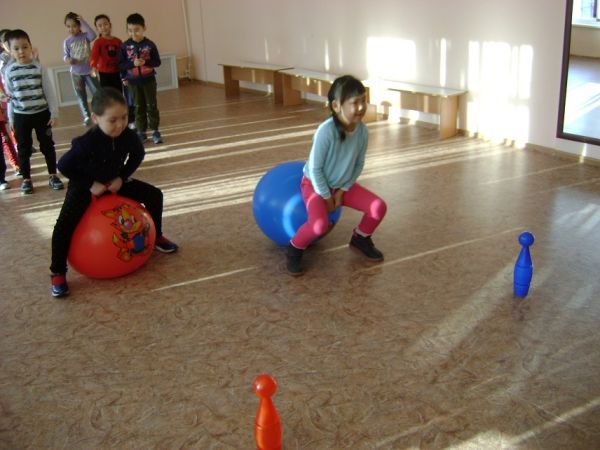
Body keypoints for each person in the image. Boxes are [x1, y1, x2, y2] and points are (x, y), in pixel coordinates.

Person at [49, 87, 178, 297]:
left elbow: (138, 154)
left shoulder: (128, 136)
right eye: (112, 120)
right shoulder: (86, 143)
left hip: (114, 181)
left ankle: (157, 238)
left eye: (124, 117)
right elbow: (63, 165)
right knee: (64, 225)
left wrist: (121, 177)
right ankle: (57, 272)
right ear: (95, 118)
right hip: (85, 185)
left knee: (155, 195)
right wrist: (90, 184)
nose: (120, 124)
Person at [285, 75, 387, 276]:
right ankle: (294, 248)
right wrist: (326, 196)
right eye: (355, 102)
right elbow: (315, 169)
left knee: (378, 207)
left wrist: (342, 190)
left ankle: (360, 238)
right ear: (336, 105)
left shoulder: (362, 131)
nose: (361, 107)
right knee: (319, 225)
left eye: (363, 100)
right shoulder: (326, 131)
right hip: (315, 185)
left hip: (342, 185)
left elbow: (358, 164)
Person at [3, 29, 64, 194]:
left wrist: (54, 113)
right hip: (21, 117)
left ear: (31, 47)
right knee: (23, 148)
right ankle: (26, 179)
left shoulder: (39, 68)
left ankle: (53, 175)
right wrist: (11, 119)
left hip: (42, 115)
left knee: (47, 146)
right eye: (16, 48)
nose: (21, 51)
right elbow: (10, 97)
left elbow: (49, 92)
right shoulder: (9, 71)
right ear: (10, 51)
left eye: (25, 47)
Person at [119, 13, 163, 144]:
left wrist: (146, 62)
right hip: (133, 82)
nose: (133, 33)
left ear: (144, 28)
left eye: (137, 30)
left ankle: (155, 131)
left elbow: (157, 62)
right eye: (130, 30)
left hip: (149, 81)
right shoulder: (124, 46)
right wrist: (132, 65)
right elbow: (121, 65)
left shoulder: (150, 44)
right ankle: (141, 132)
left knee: (151, 105)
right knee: (138, 107)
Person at [63, 12, 100, 126]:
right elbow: (65, 56)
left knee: (97, 92)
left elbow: (93, 35)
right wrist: (68, 60)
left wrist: (83, 22)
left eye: (74, 26)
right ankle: (86, 116)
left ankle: (98, 112)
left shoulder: (85, 37)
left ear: (79, 26)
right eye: (68, 26)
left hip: (89, 71)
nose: (71, 29)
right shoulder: (67, 41)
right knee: (81, 95)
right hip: (76, 73)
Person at [90, 14, 122, 92]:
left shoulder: (118, 41)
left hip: (117, 71)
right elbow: (94, 56)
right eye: (100, 26)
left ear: (110, 25)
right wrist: (93, 67)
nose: (103, 27)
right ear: (97, 29)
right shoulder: (98, 42)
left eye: (105, 24)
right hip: (104, 73)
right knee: (107, 93)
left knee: (118, 92)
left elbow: (123, 55)